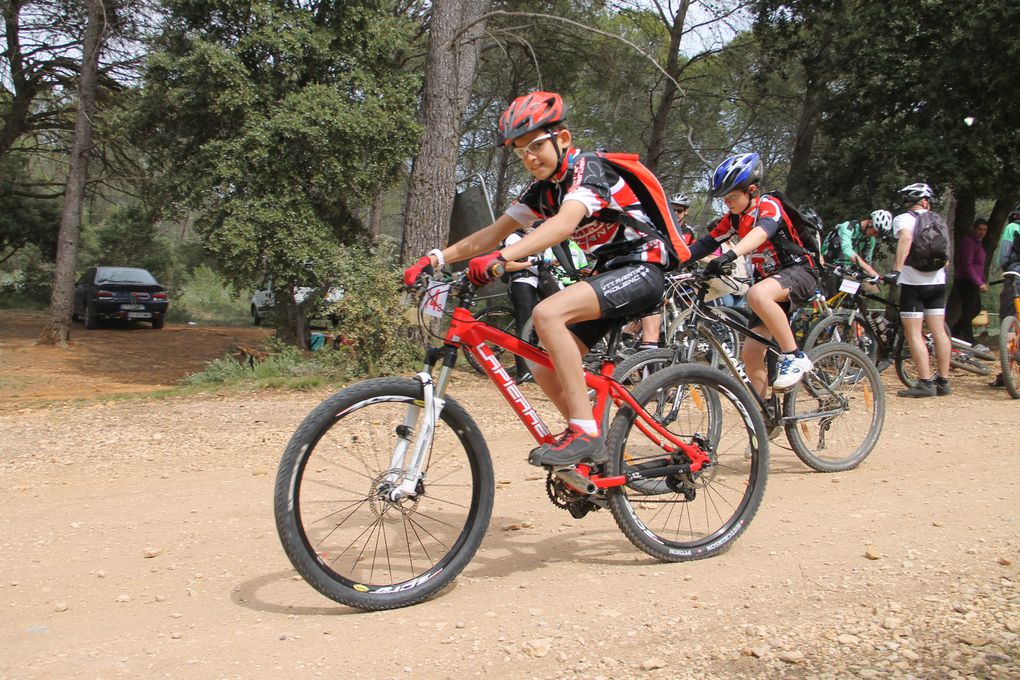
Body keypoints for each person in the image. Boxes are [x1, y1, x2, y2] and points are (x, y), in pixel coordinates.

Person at [402, 91, 678, 467]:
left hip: (643, 268)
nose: (529, 158)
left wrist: (501, 258)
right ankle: (594, 450)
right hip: (608, 275)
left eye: (535, 146)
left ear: (562, 138)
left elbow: (564, 224)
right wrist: (435, 258)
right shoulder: (542, 190)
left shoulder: (589, 169)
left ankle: (585, 430)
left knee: (548, 314)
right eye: (520, 152)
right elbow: (491, 233)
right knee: (540, 365)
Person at [684, 152, 818, 396]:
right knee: (751, 353)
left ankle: (795, 356)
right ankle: (761, 417)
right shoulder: (734, 218)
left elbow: (763, 232)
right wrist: (673, 259)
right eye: (725, 199)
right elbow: (705, 243)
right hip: (770, 284)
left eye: (732, 197)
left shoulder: (768, 204)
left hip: (799, 271)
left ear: (752, 189)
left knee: (757, 294)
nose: (728, 203)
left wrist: (730, 255)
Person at [883, 183, 952, 398]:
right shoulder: (938, 220)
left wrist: (896, 270)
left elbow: (906, 238)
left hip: (914, 285)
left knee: (914, 333)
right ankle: (943, 381)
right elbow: (946, 257)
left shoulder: (903, 219)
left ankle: (925, 382)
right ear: (925, 201)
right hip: (938, 283)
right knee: (939, 331)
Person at [500, 226, 542, 384]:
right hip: (521, 283)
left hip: (533, 283)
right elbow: (508, 265)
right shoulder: (513, 238)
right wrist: (531, 262)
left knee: (535, 326)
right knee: (524, 327)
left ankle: (533, 369)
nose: (531, 224)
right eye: (528, 220)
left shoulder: (527, 237)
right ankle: (523, 372)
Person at [990, 204, 1020, 387]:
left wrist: (1006, 269)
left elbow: (1003, 257)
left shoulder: (1012, 227)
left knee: (1009, 322)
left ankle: (1006, 373)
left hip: (1016, 278)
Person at [949, 218, 989, 346]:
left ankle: (954, 332)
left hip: (973, 281)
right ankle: (968, 339)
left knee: (975, 309)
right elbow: (967, 265)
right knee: (970, 310)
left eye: (984, 230)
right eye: (979, 229)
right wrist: (979, 282)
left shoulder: (978, 243)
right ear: (974, 229)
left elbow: (979, 266)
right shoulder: (969, 242)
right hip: (966, 280)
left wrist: (982, 281)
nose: (982, 232)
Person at [823, 210, 893, 279]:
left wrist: (876, 277)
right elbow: (847, 250)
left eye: (879, 234)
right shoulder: (848, 227)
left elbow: (867, 261)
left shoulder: (871, 240)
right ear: (870, 223)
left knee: (855, 289)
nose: (875, 235)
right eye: (875, 231)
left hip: (848, 271)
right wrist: (870, 271)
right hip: (828, 264)